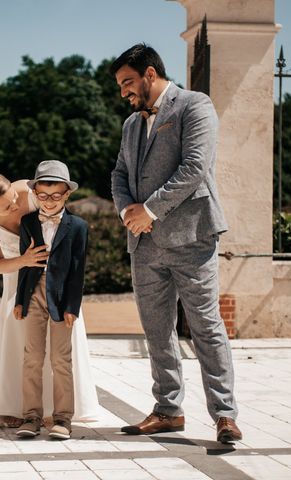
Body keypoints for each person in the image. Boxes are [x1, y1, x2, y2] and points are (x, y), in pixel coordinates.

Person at [109, 43, 242, 443]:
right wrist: (127, 213)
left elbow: (194, 168)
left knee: (205, 327)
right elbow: (118, 173)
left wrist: (148, 211)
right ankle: (168, 410)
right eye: (120, 85)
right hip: (143, 245)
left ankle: (224, 414)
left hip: (191, 238)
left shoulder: (194, 105)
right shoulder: (132, 124)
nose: (124, 93)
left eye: (128, 82)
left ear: (151, 74)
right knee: (156, 330)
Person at [0, 169, 99, 426]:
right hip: (17, 280)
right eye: (6, 206)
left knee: (59, 348)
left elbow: (65, 227)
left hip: (55, 280)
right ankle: (17, 408)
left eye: (13, 196)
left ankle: (61, 410)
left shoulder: (33, 191)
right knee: (25, 348)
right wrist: (24, 260)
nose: (15, 204)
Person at [13, 160, 87, 440]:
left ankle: (63, 419)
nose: (49, 202)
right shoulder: (27, 222)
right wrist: (19, 300)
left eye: (56, 196)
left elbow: (78, 271)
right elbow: (24, 265)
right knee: (31, 357)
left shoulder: (78, 227)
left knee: (60, 359)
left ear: (67, 194)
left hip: (61, 297)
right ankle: (31, 417)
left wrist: (72, 306)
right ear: (35, 194)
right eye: (43, 196)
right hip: (33, 295)